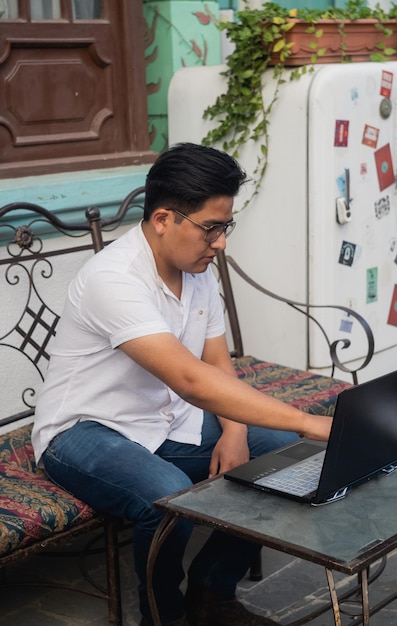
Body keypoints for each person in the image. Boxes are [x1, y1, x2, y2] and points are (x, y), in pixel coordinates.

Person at [32, 143, 332, 626]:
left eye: (225, 226)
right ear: (163, 220)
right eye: (210, 227)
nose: (221, 242)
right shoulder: (114, 278)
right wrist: (308, 421)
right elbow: (190, 379)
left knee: (279, 453)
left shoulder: (198, 272)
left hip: (164, 418)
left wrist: (236, 432)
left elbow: (215, 362)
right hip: (84, 430)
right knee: (167, 496)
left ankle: (212, 594)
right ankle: (163, 615)